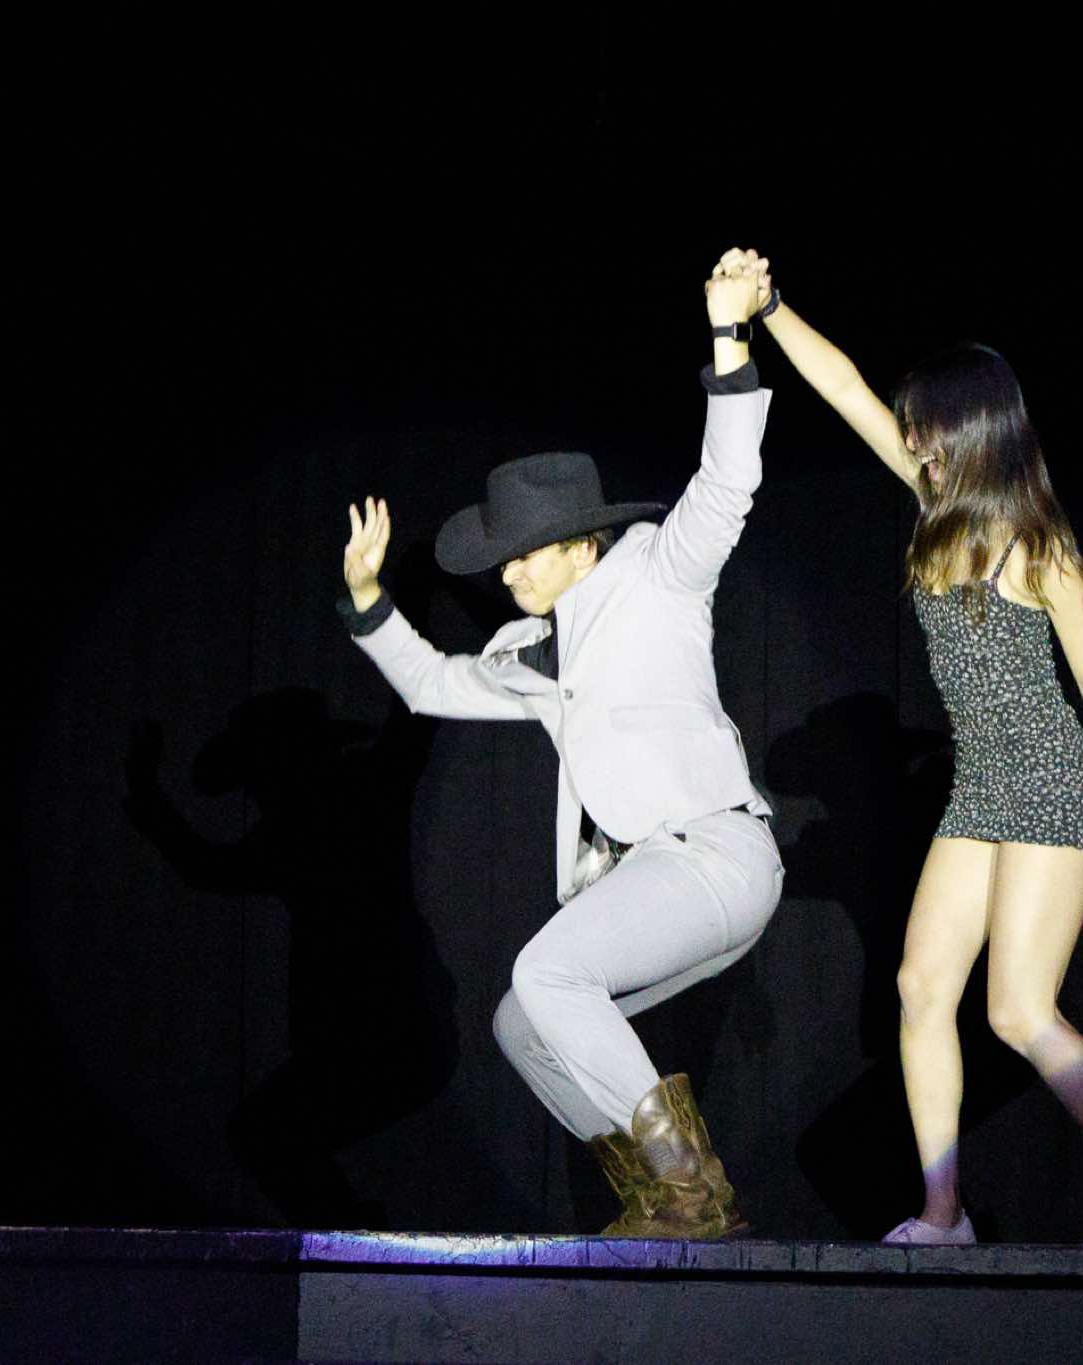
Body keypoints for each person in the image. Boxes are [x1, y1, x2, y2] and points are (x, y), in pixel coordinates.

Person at [720, 247, 1083, 1248]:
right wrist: (770, 307)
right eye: (914, 435)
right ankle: (944, 1212)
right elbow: (844, 389)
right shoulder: (933, 509)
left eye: (929, 432)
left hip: (1056, 785)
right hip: (980, 787)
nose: (915, 445)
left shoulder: (1040, 548)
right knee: (920, 987)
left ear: (973, 434)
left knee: (1018, 1010)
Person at [334, 264, 782, 1238]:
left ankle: (690, 1189)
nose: (509, 571)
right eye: (505, 556)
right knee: (521, 1021)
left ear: (583, 546)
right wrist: (369, 602)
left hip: (717, 854)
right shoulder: (532, 654)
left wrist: (727, 338)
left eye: (527, 551)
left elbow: (726, 484)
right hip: (667, 876)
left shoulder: (659, 574)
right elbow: (431, 684)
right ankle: (657, 1195)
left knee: (548, 974)